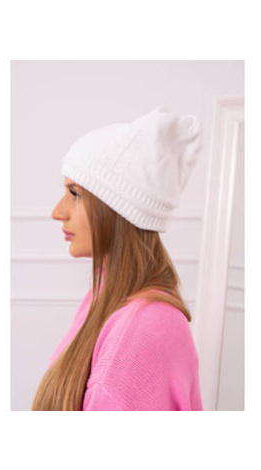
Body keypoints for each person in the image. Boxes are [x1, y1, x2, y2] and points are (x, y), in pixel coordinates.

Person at [31, 105, 204, 411]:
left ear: (117, 210)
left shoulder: (140, 331)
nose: (57, 212)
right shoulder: (106, 298)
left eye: (75, 194)